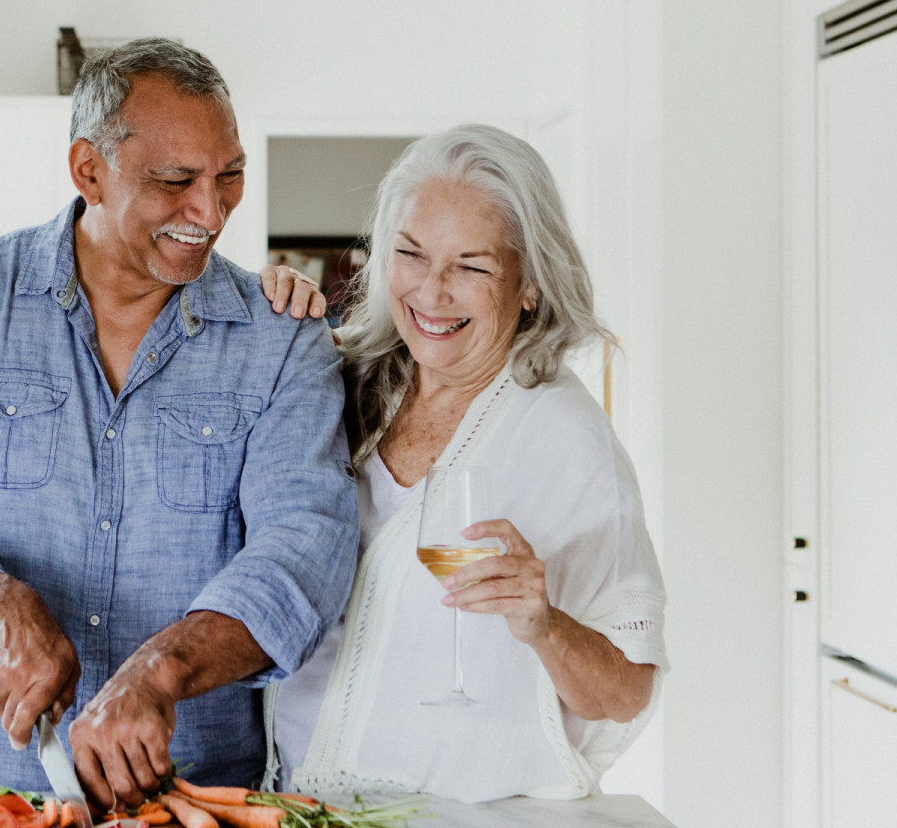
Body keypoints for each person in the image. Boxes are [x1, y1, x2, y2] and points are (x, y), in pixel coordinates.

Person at [0, 38, 360, 811]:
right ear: (88, 170)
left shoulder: (282, 336)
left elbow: (304, 553)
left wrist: (161, 670)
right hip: (7, 794)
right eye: (174, 181)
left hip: (198, 798)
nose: (211, 211)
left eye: (230, 177)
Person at [259, 124, 666, 802]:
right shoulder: (343, 382)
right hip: (292, 804)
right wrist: (264, 311)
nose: (431, 291)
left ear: (529, 284)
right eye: (411, 255)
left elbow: (624, 693)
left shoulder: (564, 439)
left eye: (471, 267)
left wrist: (545, 623)